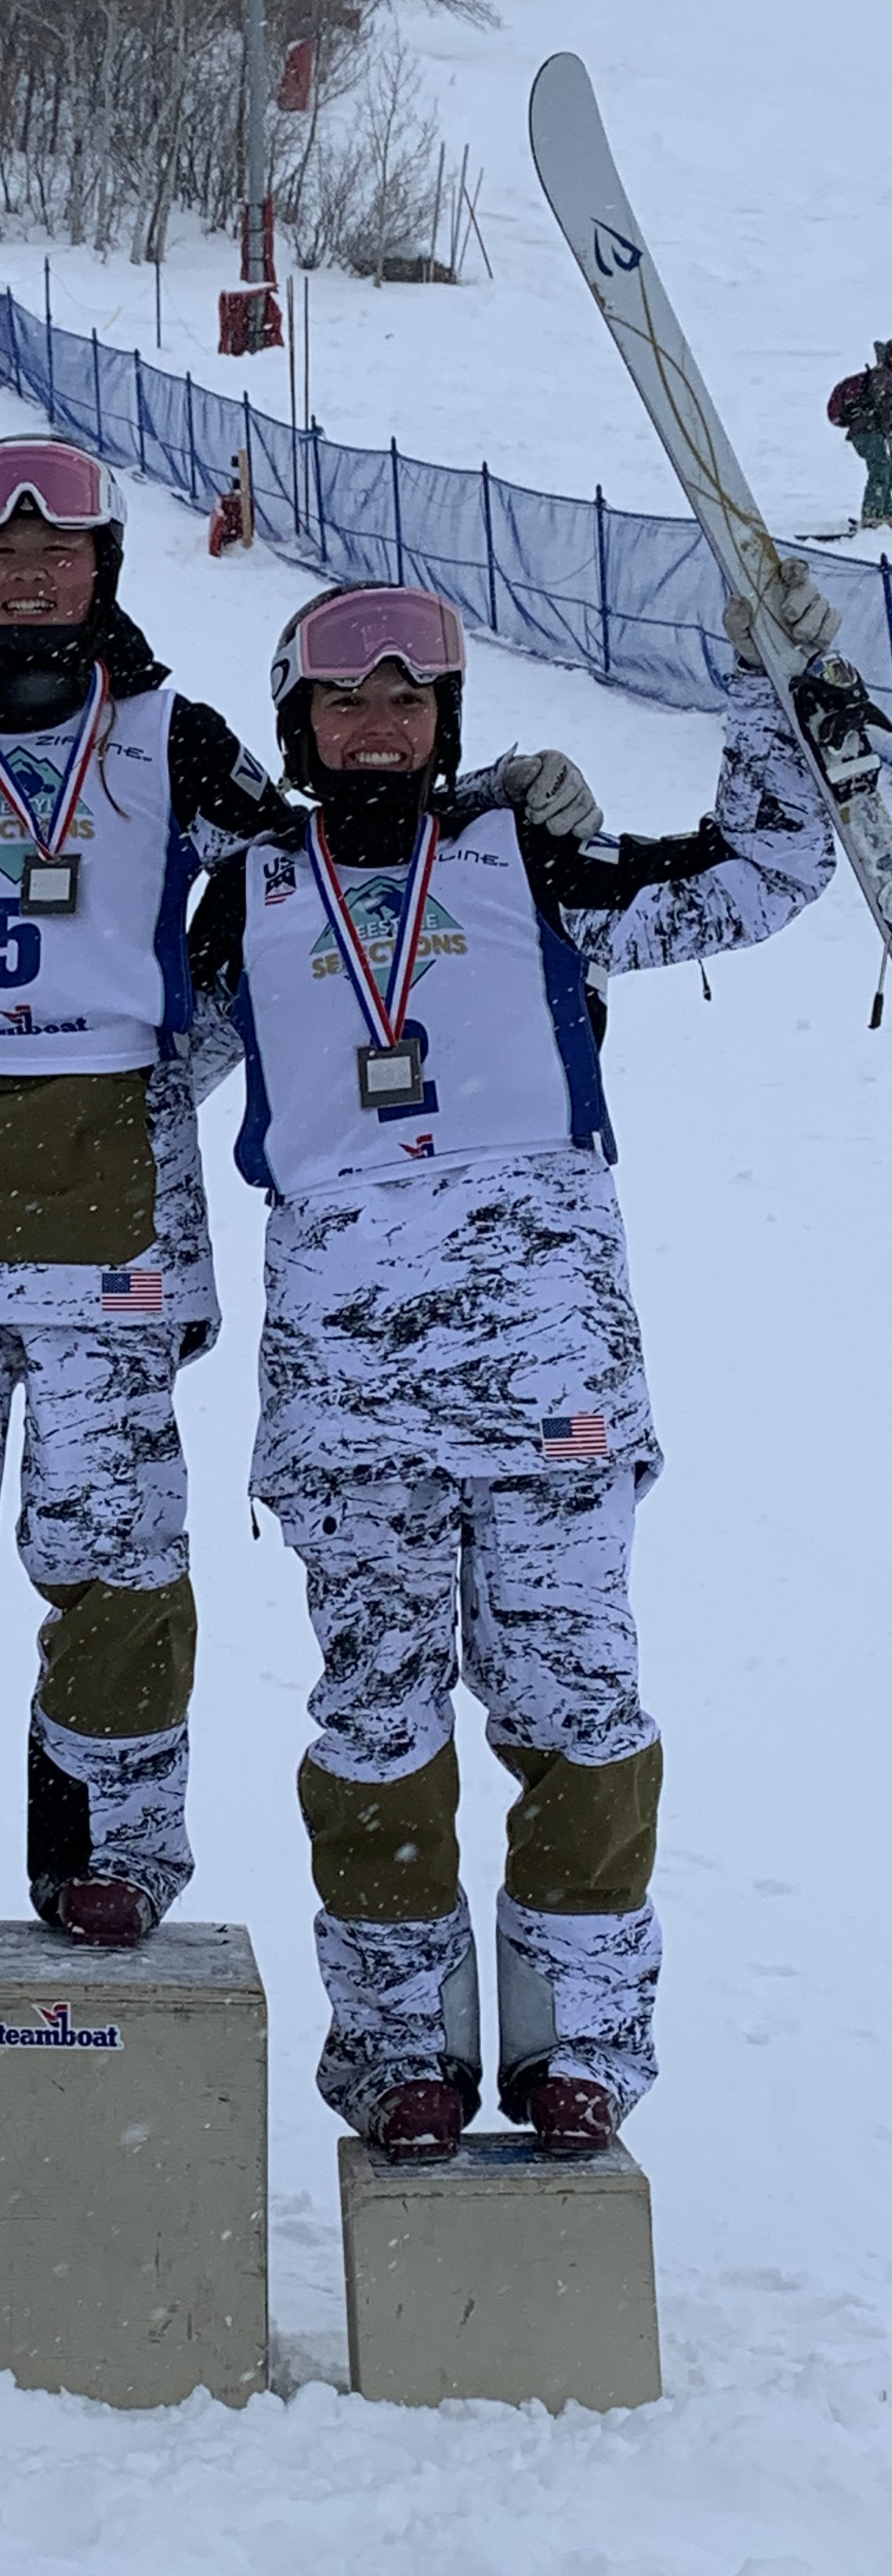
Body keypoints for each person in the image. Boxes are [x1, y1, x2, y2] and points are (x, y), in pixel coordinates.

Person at [0, 442, 580, 1952]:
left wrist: (482, 821)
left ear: (101, 571)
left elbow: (324, 863)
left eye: (56, 553)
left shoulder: (175, 740)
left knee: (118, 1559)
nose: (27, 577)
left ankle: (106, 1846)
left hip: (110, 1215)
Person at [186, 568, 839, 2161]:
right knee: (376, 1728)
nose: (377, 722)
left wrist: (775, 694)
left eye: (406, 697)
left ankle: (576, 2044)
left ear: (446, 717)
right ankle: (402, 2047)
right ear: (298, 723)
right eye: (343, 699)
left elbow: (760, 875)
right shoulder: (245, 895)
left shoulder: (527, 855)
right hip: (350, 1398)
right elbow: (111, 1064)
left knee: (579, 1711)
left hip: (545, 1378)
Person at [827, 344, 892, 528]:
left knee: (886, 468)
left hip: (871, 430)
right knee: (881, 467)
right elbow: (884, 409)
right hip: (866, 430)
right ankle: (873, 515)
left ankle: (885, 514)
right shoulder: (882, 377)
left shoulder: (885, 375)